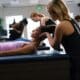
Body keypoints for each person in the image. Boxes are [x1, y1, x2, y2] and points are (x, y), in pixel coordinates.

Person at [41, 0, 80, 80]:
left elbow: (55, 46)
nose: (50, 15)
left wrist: (47, 34)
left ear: (55, 12)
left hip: (76, 62)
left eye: (50, 13)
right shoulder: (72, 21)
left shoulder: (61, 26)